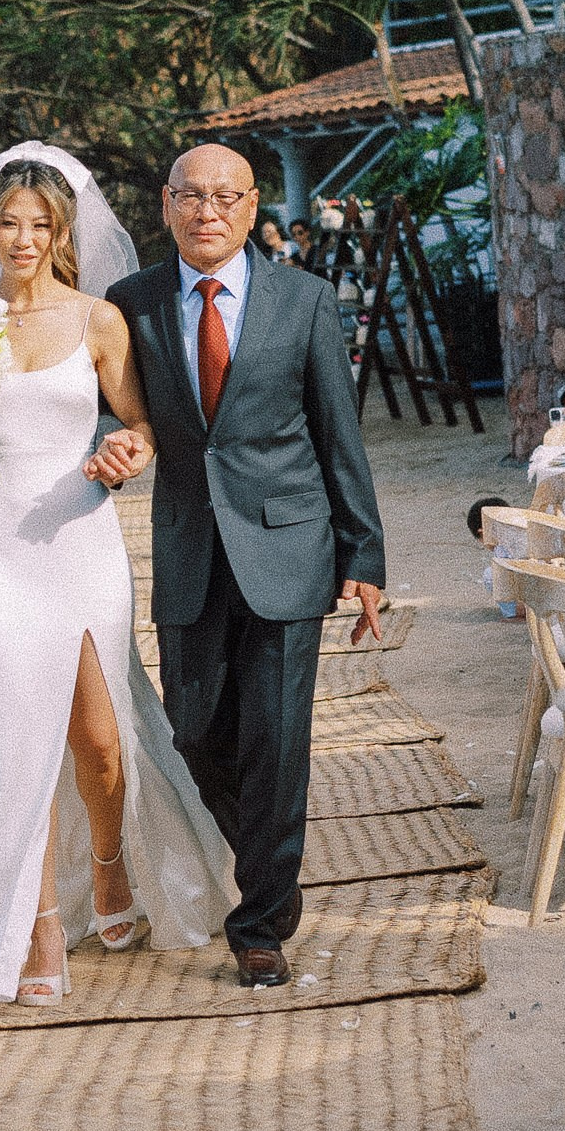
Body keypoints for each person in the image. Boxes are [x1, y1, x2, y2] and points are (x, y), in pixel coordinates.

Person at [0, 149, 230, 1007]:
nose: (23, 238)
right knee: (12, 739)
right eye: (9, 223)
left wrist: (126, 450)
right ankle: (40, 923)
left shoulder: (98, 319)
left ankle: (110, 859)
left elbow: (141, 426)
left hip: (81, 541)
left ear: (63, 231)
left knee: (98, 737)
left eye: (40, 224)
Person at [102, 142, 386, 985]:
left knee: (276, 738)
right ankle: (271, 869)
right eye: (191, 195)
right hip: (188, 547)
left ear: (254, 206)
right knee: (193, 733)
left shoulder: (305, 300)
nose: (208, 211)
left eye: (226, 197)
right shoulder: (131, 304)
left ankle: (259, 919)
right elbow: (112, 411)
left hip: (290, 547)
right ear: (166, 205)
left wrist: (364, 553)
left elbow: (339, 433)